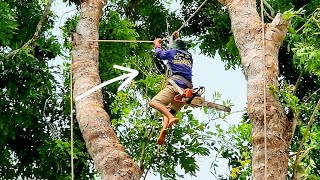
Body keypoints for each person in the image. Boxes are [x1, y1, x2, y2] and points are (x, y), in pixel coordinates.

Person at [149, 31, 193, 145]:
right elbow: (177, 50)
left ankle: (170, 118)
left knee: (154, 102)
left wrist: (157, 44)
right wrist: (175, 39)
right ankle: (164, 129)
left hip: (176, 85)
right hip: (186, 89)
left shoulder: (172, 51)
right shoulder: (189, 56)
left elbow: (160, 54)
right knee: (169, 110)